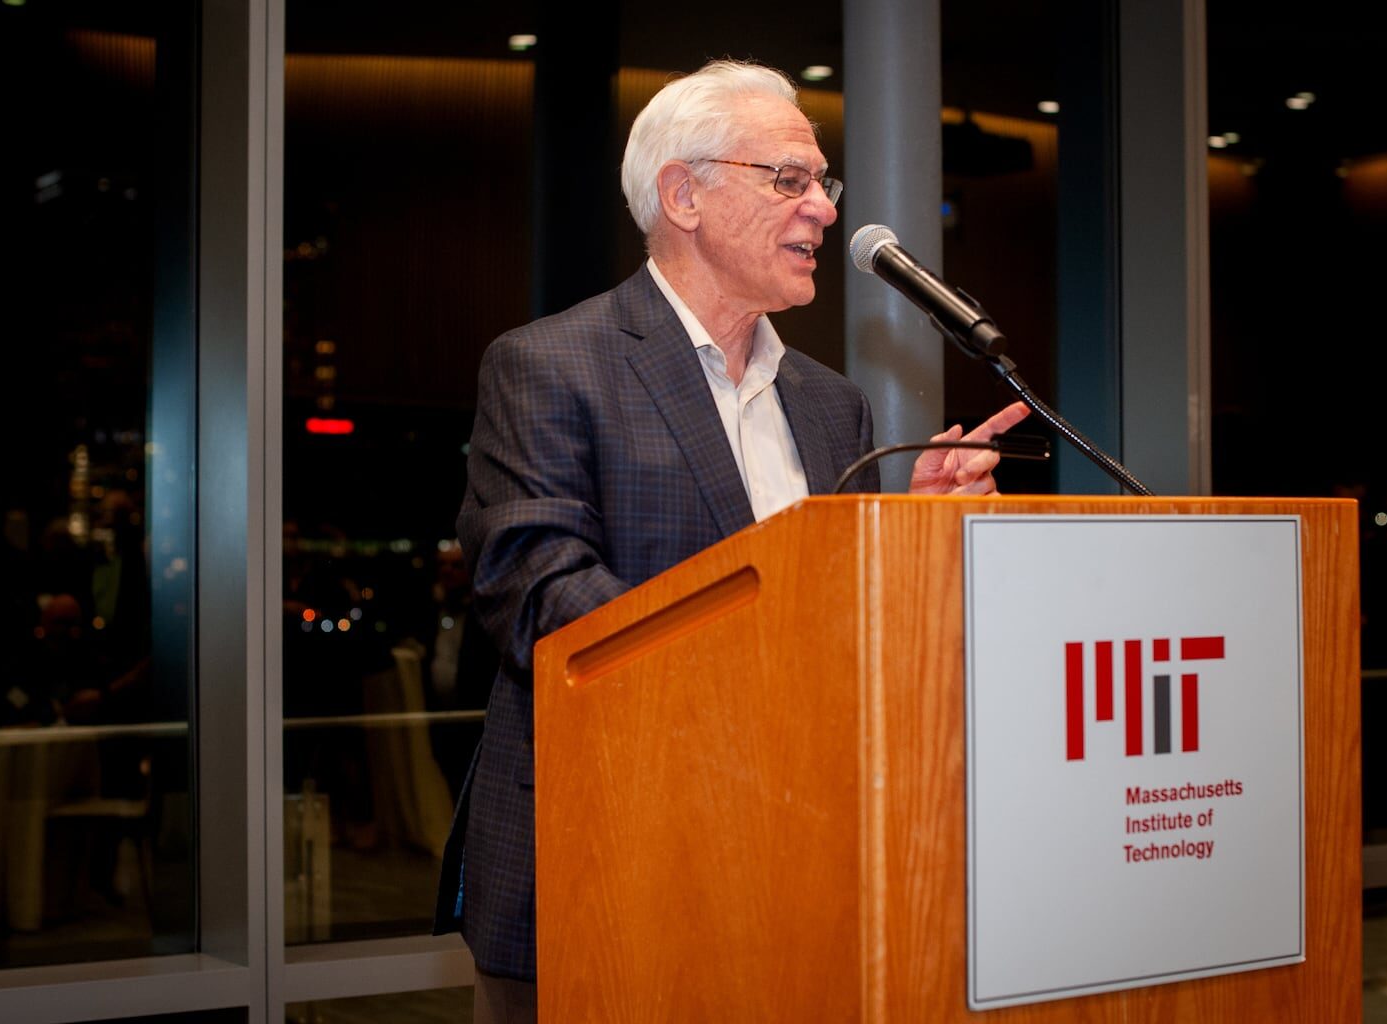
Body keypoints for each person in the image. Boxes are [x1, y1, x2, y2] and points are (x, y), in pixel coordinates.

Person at [434, 59, 1029, 1021]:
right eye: (788, 180)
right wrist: (755, 642)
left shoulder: (832, 404)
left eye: (822, 185)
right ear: (685, 196)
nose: (825, 213)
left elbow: (836, 625)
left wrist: (902, 533)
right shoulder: (550, 365)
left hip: (795, 861)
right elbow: (537, 596)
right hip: (610, 852)